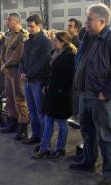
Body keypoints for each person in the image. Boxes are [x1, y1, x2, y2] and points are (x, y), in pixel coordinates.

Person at [70, 4, 111, 185]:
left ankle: (109, 174)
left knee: (105, 136)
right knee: (87, 130)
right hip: (86, 93)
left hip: (103, 97)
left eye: (89, 19)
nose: (85, 22)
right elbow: (82, 62)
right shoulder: (88, 36)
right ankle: (88, 161)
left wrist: (106, 93)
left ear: (102, 21)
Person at [32, 31, 76, 159]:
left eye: (56, 41)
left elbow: (70, 77)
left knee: (62, 123)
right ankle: (44, 147)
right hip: (51, 92)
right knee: (48, 119)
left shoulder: (70, 55)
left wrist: (61, 90)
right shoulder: (54, 53)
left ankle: (60, 148)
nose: (53, 42)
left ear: (63, 42)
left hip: (62, 95)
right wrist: (46, 85)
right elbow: (49, 72)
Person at [19, 14, 52, 141]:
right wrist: (22, 71)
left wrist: (28, 74)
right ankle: (35, 135)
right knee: (31, 111)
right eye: (28, 27)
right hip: (27, 80)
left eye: (32, 26)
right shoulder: (27, 42)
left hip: (38, 80)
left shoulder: (45, 42)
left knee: (40, 112)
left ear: (39, 26)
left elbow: (43, 61)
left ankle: (44, 139)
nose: (29, 29)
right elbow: (22, 59)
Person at [0, 13, 29, 139]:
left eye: (9, 20)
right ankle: (12, 122)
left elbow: (18, 55)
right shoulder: (8, 34)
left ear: (16, 21)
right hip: (7, 71)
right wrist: (3, 65)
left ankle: (23, 127)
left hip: (16, 71)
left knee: (20, 99)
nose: (7, 21)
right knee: (10, 98)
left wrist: (5, 65)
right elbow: (3, 51)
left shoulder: (22, 36)